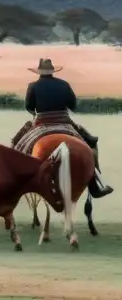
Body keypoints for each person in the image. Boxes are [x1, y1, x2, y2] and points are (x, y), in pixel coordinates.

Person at [11, 58, 112, 198]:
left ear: (39, 72)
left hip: (41, 121)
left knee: (16, 143)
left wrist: (35, 113)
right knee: (90, 143)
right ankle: (95, 183)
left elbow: (29, 106)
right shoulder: (64, 84)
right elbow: (73, 105)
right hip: (65, 120)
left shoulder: (33, 86)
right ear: (52, 71)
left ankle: (13, 183)